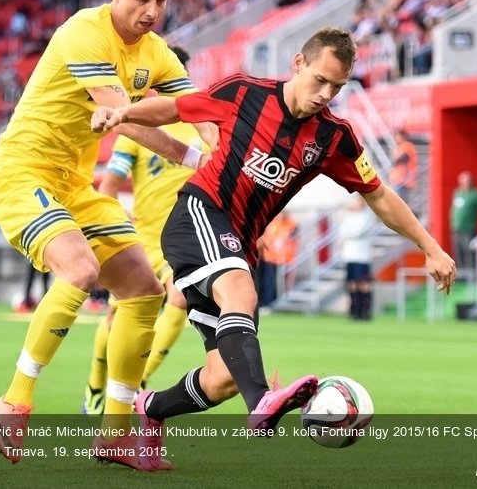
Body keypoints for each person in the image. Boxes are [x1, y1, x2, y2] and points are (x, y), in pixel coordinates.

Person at [91, 26, 456, 470]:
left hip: (238, 246)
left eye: (337, 87)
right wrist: (123, 113)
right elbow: (173, 109)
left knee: (223, 378)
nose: (325, 94)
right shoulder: (242, 92)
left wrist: (430, 245)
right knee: (241, 294)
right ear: (298, 64)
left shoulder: (334, 138)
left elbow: (378, 194)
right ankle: (262, 401)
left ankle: (150, 409)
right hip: (199, 213)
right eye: (320, 80)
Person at [0, 0, 207, 470]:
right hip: (22, 173)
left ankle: (114, 434)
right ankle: (14, 400)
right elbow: (122, 114)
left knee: (143, 290)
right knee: (80, 271)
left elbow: (198, 108)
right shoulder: (84, 31)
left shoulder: (157, 52)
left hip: (74, 185)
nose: (151, 11)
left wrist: (217, 151)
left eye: (161, 0)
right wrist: (186, 153)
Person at [82, 63, 213, 414]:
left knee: (181, 298)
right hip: (140, 238)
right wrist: (113, 218)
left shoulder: (202, 134)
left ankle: (139, 379)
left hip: (180, 239)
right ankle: (95, 386)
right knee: (116, 316)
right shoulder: (136, 133)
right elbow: (109, 184)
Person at [339, 193, 379, 320]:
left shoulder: (367, 217)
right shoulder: (349, 217)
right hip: (349, 256)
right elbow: (342, 232)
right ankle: (354, 310)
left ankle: (365, 311)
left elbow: (357, 232)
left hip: (362, 256)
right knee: (352, 283)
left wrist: (348, 233)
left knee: (363, 283)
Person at [256, 210, 299, 312]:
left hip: (282, 258)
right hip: (269, 256)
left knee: (273, 282)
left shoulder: (290, 224)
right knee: (267, 281)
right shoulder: (274, 223)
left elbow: (286, 238)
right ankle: (265, 303)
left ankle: (269, 303)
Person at [449, 170, 477, 276]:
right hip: (456, 228)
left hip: (469, 228)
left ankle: (472, 276)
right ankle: (460, 275)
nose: (464, 183)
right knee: (458, 251)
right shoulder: (457, 192)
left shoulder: (475, 194)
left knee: (469, 252)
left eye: (466, 180)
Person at [387, 129, 417, 205]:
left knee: (402, 203)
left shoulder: (407, 145)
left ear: (403, 136)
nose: (395, 138)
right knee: (398, 203)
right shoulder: (398, 147)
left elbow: (404, 158)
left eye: (397, 136)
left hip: (404, 180)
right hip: (397, 180)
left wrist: (395, 161)